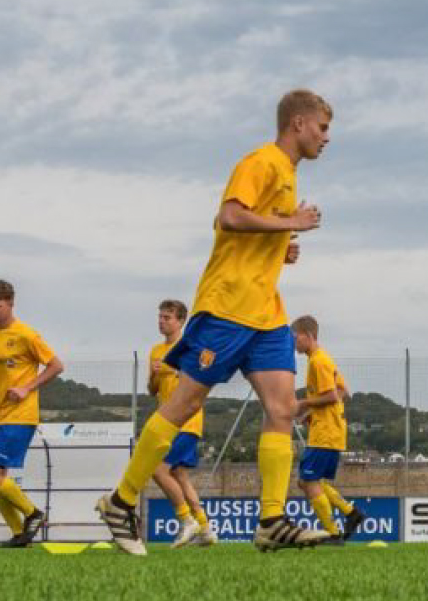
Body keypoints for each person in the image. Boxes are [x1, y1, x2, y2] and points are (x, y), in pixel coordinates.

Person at [95, 90, 334, 555]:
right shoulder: (262, 161)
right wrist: (293, 225)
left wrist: (279, 247)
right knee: (183, 406)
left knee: (283, 410)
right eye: (323, 128)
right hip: (227, 308)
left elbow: (249, 227)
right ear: (299, 123)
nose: (327, 138)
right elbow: (228, 217)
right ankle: (121, 503)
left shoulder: (285, 174)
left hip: (266, 315)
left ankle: (271, 519)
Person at [0, 279, 63, 548]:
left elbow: (56, 366)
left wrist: (26, 387)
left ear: (10, 304)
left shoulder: (27, 335)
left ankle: (33, 514)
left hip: (21, 416)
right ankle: (20, 534)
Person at [148, 299, 216, 548]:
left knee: (158, 470)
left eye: (167, 318)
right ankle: (205, 528)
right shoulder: (156, 350)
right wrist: (156, 374)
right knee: (179, 474)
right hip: (167, 419)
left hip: (187, 420)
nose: (161, 321)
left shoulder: (190, 348)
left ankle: (186, 520)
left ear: (180, 321)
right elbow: (151, 390)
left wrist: (175, 370)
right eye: (160, 317)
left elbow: (201, 378)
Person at [295, 315, 366, 544]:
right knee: (308, 481)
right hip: (328, 430)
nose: (293, 343)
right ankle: (350, 513)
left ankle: (333, 533)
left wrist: (304, 404)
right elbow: (343, 391)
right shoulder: (323, 359)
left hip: (325, 433)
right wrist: (312, 414)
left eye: (295, 338)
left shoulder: (318, 361)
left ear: (308, 336)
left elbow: (332, 395)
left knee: (309, 481)